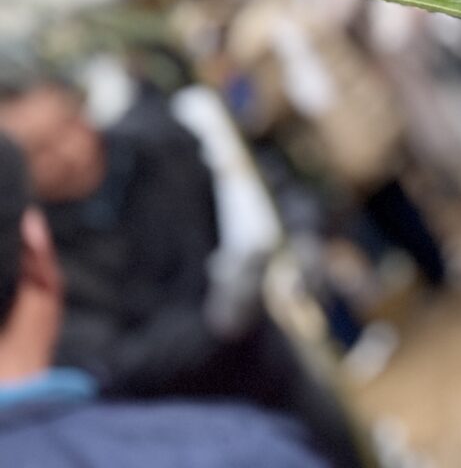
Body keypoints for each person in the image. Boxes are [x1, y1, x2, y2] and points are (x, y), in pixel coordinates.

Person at [0, 63, 363, 468]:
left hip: (270, 368)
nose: (68, 152)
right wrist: (212, 325)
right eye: (38, 151)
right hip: (172, 432)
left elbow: (256, 181)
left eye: (68, 124)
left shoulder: (161, 144)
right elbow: (103, 360)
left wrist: (297, 233)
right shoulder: (33, 257)